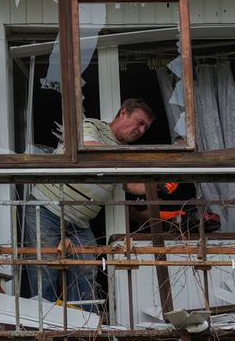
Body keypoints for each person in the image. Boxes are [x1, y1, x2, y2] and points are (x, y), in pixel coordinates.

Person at [24, 98, 155, 309]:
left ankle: (83, 326)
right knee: (44, 269)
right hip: (47, 208)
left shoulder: (123, 153)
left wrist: (157, 185)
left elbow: (132, 185)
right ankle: (43, 326)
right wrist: (128, 162)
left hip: (79, 221)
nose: (141, 130)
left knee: (86, 270)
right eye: (139, 122)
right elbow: (90, 150)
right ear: (123, 113)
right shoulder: (92, 126)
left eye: (145, 127)